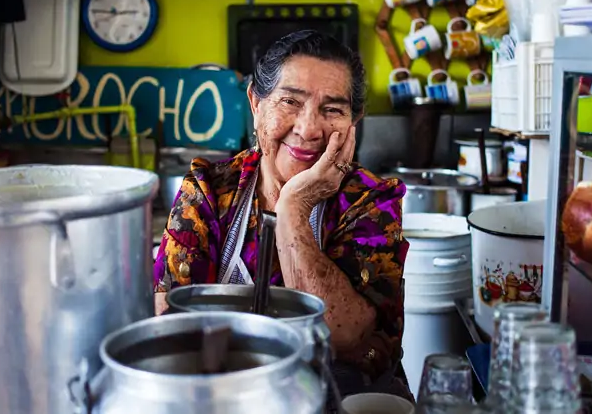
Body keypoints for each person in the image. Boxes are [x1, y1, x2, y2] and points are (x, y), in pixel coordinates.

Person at [153, 30, 412, 402]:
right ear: (256, 103)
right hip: (223, 396)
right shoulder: (210, 190)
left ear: (354, 121)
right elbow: (173, 327)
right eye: (290, 101)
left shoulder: (372, 201)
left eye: (333, 109)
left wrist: (294, 207)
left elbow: (343, 334)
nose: (308, 129)